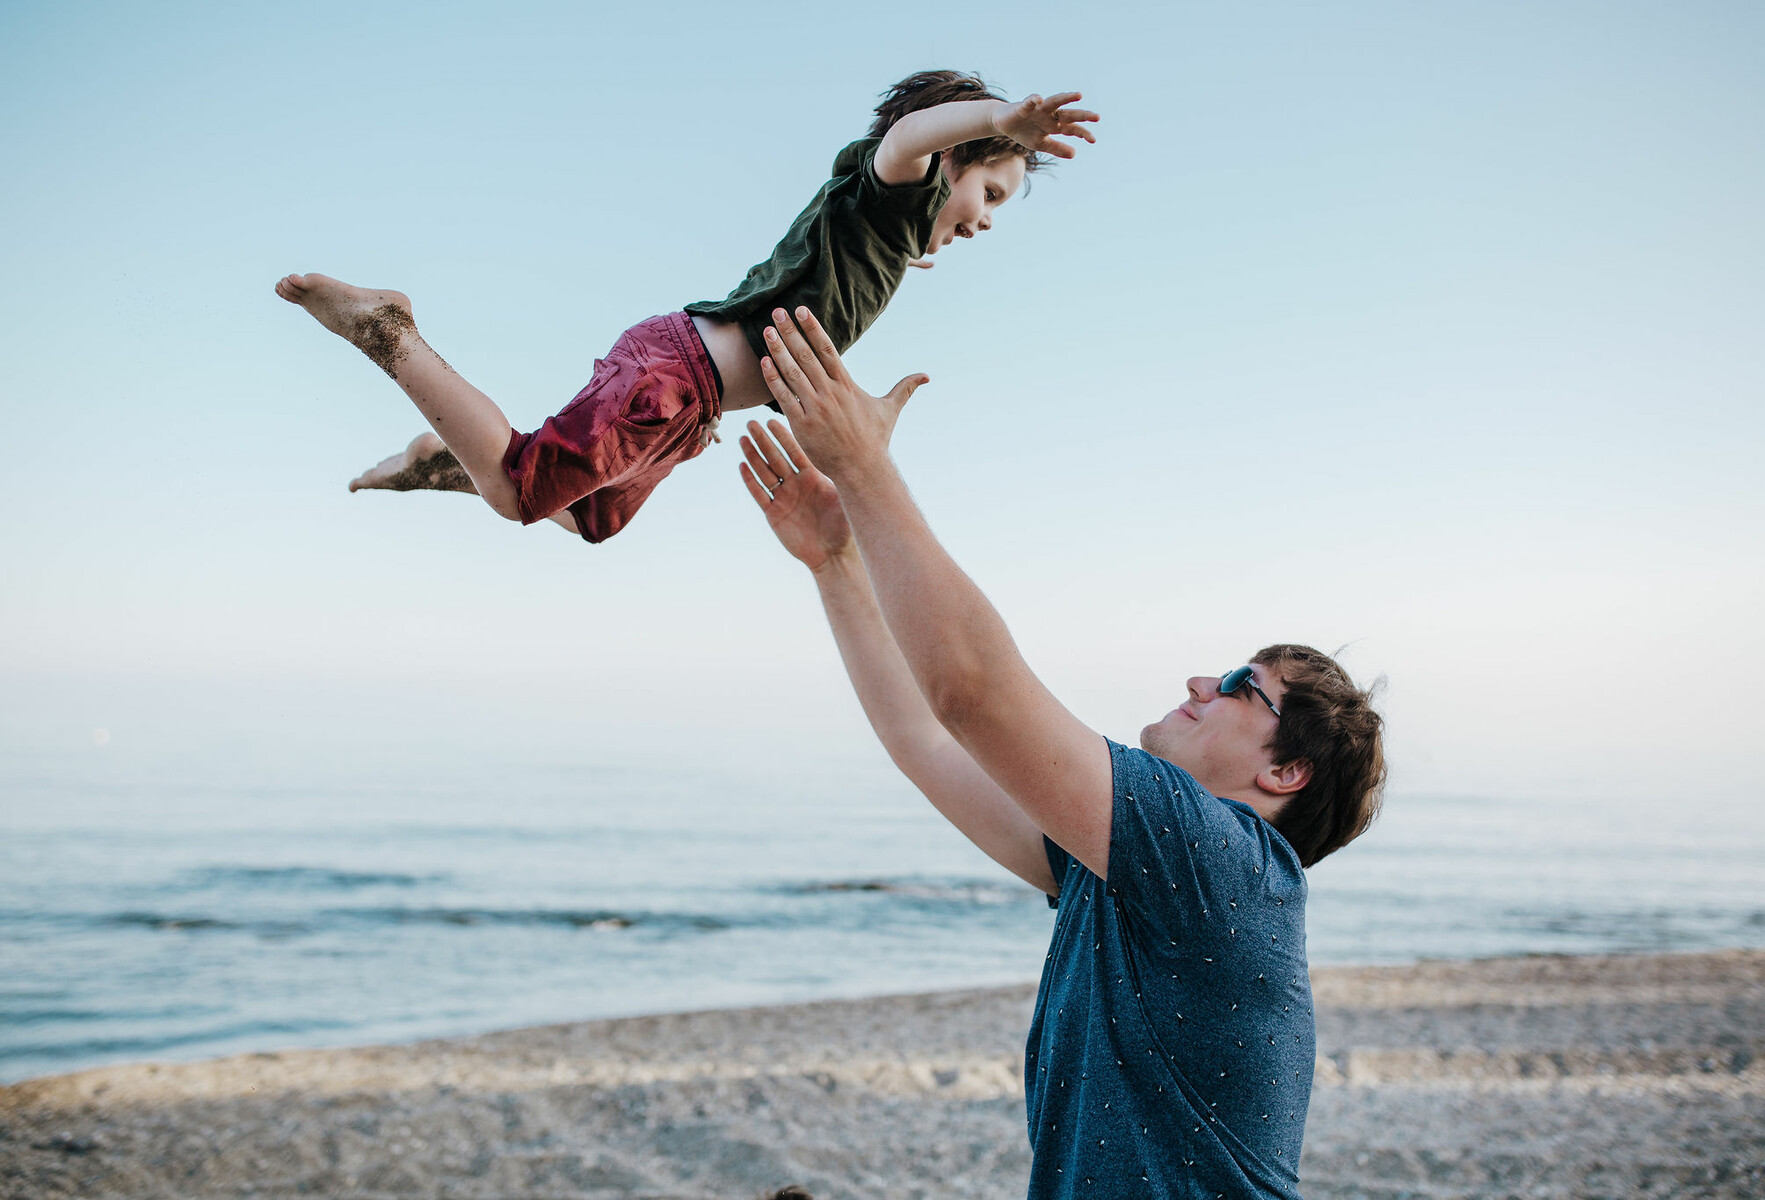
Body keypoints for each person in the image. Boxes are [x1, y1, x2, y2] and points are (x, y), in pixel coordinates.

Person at [738, 308, 1388, 1198]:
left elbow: (971, 690)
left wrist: (862, 465)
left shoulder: (1226, 864)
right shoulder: (1122, 871)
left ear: (1284, 773)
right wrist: (836, 566)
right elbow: (928, 739)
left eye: (1241, 683)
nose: (1202, 682)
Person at [274, 71, 1097, 543]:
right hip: (674, 374)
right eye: (989, 191)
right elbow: (910, 135)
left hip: (690, 404)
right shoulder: (889, 199)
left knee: (591, 519)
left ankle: (438, 463)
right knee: (523, 492)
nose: (985, 220)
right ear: (952, 160)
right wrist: (1003, 118)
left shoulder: (878, 254)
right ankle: (389, 331)